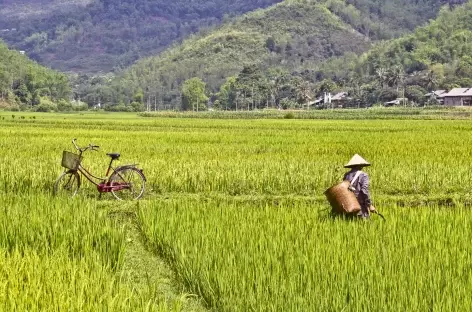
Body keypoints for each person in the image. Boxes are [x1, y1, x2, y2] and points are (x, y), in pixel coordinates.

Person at [343, 154, 374, 219]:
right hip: (360, 204)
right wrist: (369, 205)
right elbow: (364, 190)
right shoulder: (364, 175)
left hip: (348, 204)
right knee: (363, 224)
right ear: (360, 165)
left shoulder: (346, 175)